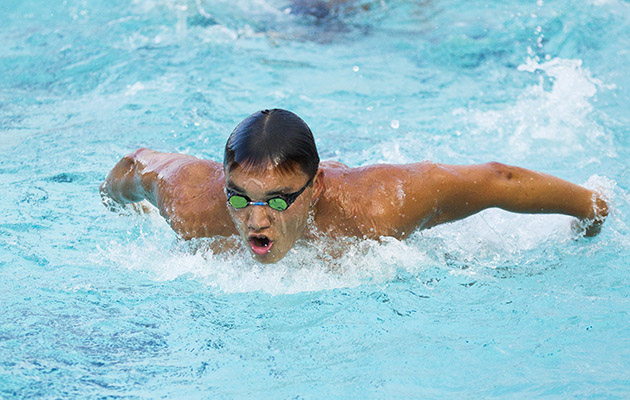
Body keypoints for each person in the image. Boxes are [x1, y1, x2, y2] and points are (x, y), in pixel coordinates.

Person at [100, 108, 609, 263]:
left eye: (278, 200)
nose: (255, 219)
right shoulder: (193, 204)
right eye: (241, 197)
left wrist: (591, 207)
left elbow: (498, 180)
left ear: (315, 187)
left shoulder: (381, 208)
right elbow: (136, 164)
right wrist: (113, 206)